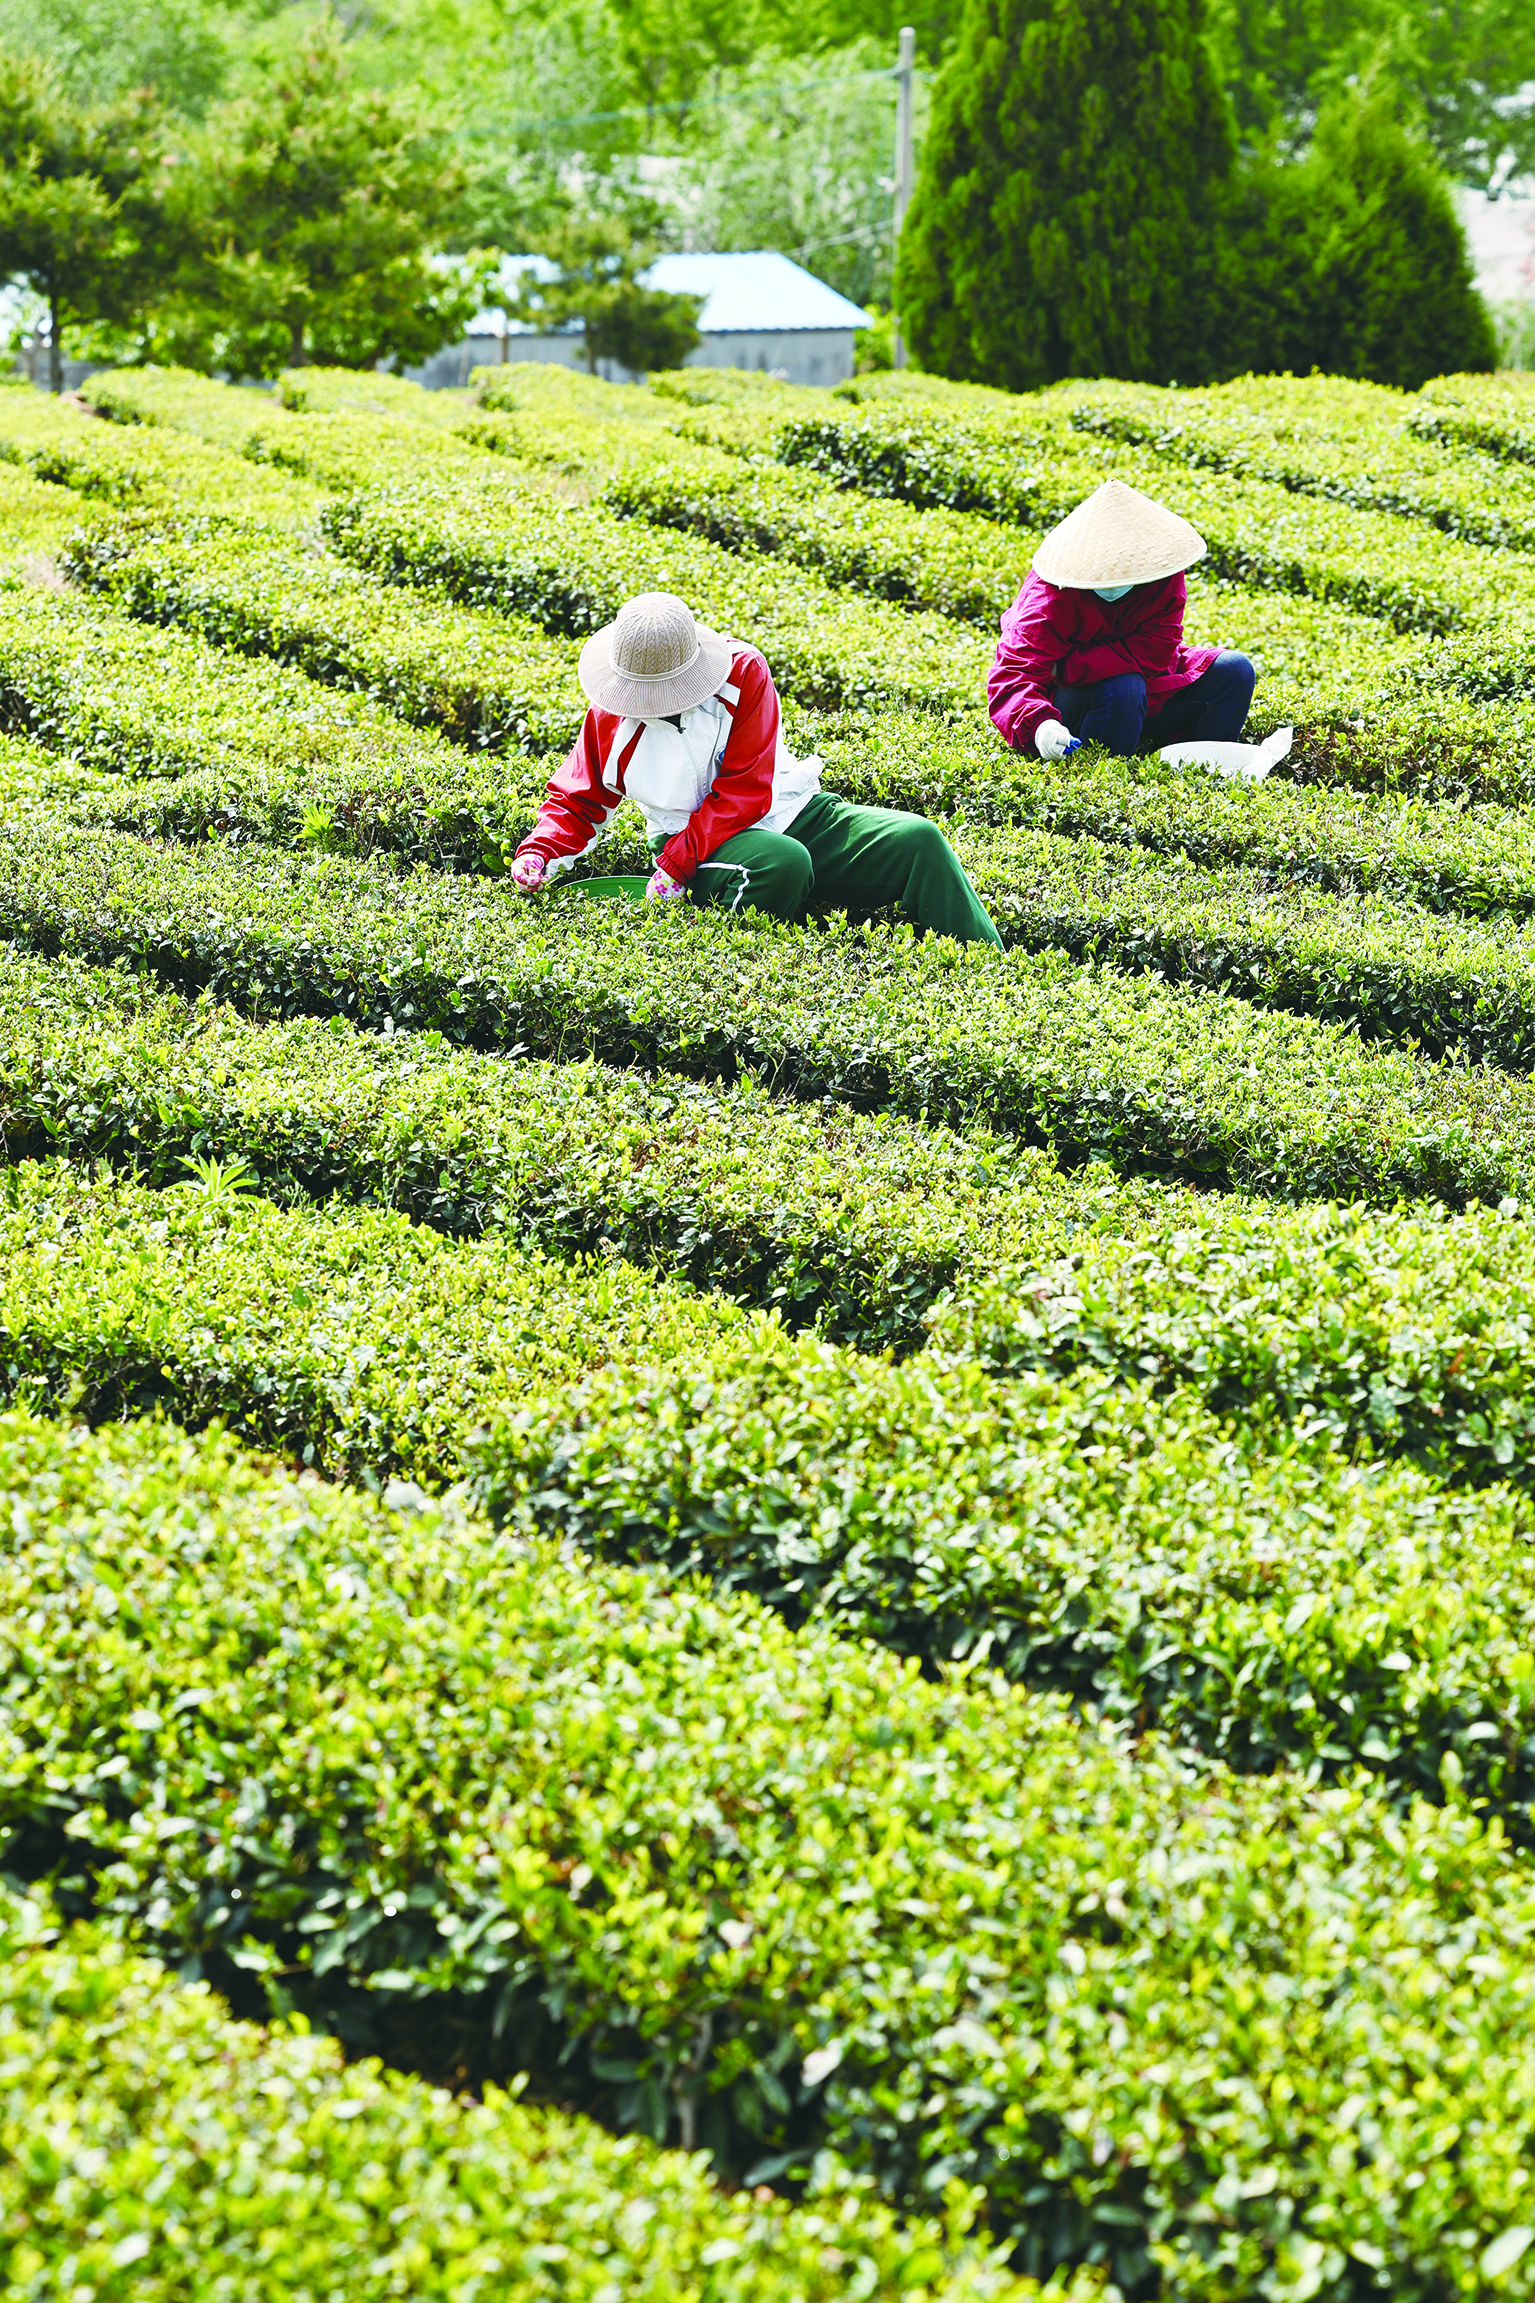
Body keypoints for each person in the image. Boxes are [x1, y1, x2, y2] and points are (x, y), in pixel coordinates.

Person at [510, 590, 1002, 948]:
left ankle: (992, 972)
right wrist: (540, 853)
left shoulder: (743, 673)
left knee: (917, 838)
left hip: (790, 810)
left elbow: (747, 790)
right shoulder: (608, 720)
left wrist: (676, 867)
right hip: (692, 843)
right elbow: (579, 799)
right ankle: (720, 954)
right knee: (782, 863)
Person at [988, 477, 1256, 761]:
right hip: (1075, 707)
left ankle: (1197, 771)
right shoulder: (1050, 597)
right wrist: (1041, 727)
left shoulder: (1161, 575)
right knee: (1123, 685)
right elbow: (1013, 676)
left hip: (1144, 689)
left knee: (1234, 670)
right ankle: (1101, 778)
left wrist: (1067, 666)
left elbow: (1156, 651)